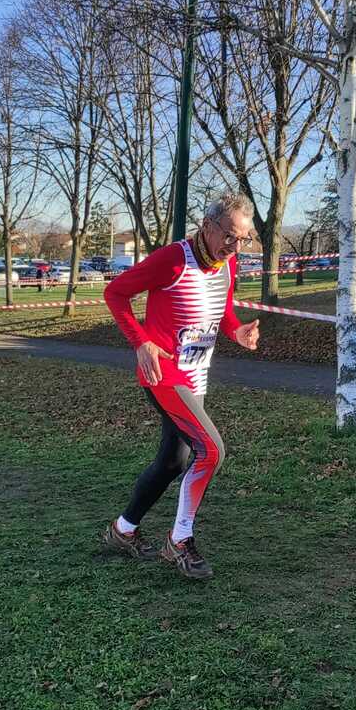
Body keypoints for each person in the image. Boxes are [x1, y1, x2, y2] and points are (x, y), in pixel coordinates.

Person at [102, 193, 260, 580]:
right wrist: (140, 342)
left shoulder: (228, 262)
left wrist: (236, 331)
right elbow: (115, 293)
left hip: (196, 374)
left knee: (173, 461)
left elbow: (221, 309)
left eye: (243, 239)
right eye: (229, 236)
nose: (235, 246)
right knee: (212, 451)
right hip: (163, 375)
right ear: (207, 226)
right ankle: (179, 541)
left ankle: (123, 530)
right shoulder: (173, 259)